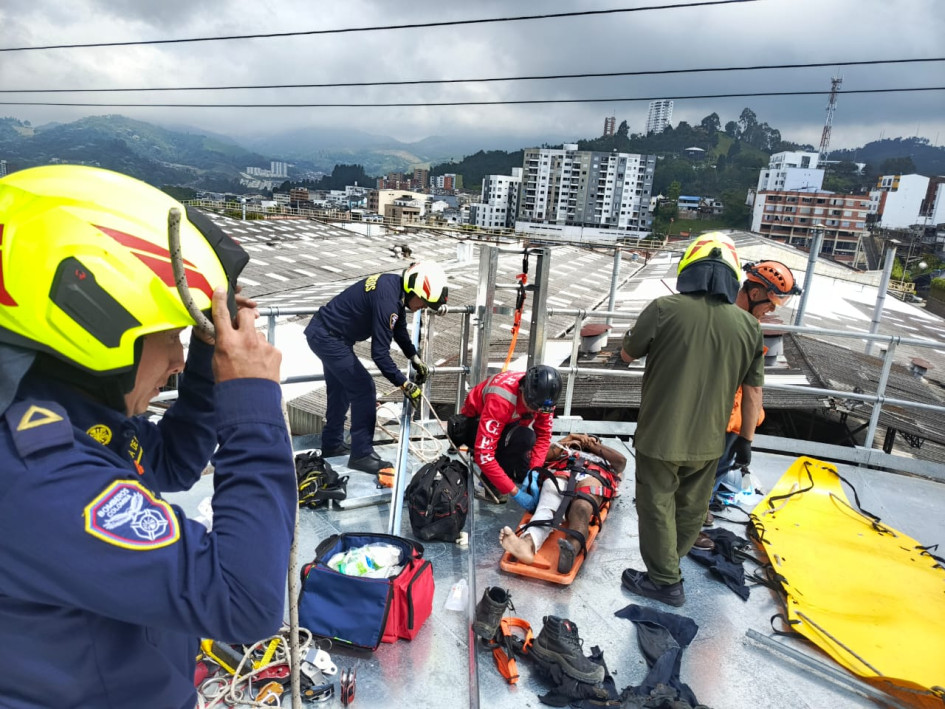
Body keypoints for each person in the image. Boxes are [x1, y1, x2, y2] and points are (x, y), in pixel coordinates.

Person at [0, 165, 297, 708]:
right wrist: (253, 402)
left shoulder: (69, 419)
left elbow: (175, 461)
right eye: (170, 334)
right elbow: (246, 599)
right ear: (93, 321)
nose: (179, 359)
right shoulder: (41, 480)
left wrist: (214, 356)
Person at [619, 232, 765, 607]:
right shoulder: (749, 327)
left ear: (689, 269)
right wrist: (746, 440)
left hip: (660, 435)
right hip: (710, 442)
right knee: (691, 507)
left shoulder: (663, 308)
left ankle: (665, 580)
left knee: (655, 505)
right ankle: (670, 566)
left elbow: (626, 354)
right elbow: (753, 393)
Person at [304, 261, 448, 476]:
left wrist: (414, 357)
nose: (424, 307)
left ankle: (332, 444)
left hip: (327, 334)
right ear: (413, 290)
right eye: (424, 302)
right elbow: (379, 354)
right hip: (329, 338)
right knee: (364, 389)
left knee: (341, 389)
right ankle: (361, 454)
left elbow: (398, 328)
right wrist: (404, 384)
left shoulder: (393, 287)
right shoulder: (388, 300)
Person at [696, 260, 801, 549]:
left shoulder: (723, 316)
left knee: (710, 468)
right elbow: (752, 387)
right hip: (727, 417)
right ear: (755, 293)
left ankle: (700, 507)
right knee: (712, 468)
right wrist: (747, 440)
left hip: (726, 414)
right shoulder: (744, 327)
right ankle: (696, 519)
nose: (773, 308)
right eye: (771, 301)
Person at [499, 432, 626, 573]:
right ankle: (526, 545)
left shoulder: (604, 457)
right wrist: (569, 440)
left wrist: (592, 445)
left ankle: (570, 549)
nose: (584, 439)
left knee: (582, 507)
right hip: (562, 474)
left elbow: (621, 462)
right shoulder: (564, 451)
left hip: (591, 476)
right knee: (547, 507)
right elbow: (541, 457)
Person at [456, 365, 562, 510]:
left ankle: (515, 472)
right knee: (524, 437)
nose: (536, 412)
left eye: (541, 410)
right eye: (533, 407)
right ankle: (488, 487)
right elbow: (485, 455)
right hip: (474, 425)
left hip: (510, 422)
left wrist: (535, 471)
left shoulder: (544, 399)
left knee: (526, 468)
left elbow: (543, 435)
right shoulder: (501, 399)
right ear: (523, 390)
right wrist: (515, 492)